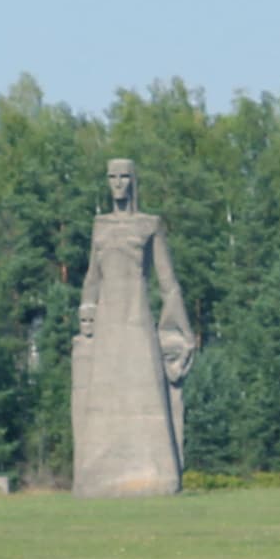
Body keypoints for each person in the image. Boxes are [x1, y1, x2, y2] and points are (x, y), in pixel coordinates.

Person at [70, 158, 197, 497]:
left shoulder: (149, 225)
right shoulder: (100, 225)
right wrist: (87, 310)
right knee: (102, 405)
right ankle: (97, 477)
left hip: (137, 323)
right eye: (113, 177)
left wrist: (178, 332)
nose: (119, 184)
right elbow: (91, 276)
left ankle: (158, 476)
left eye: (125, 177)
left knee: (148, 400)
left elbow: (167, 282)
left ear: (134, 181)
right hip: (107, 327)